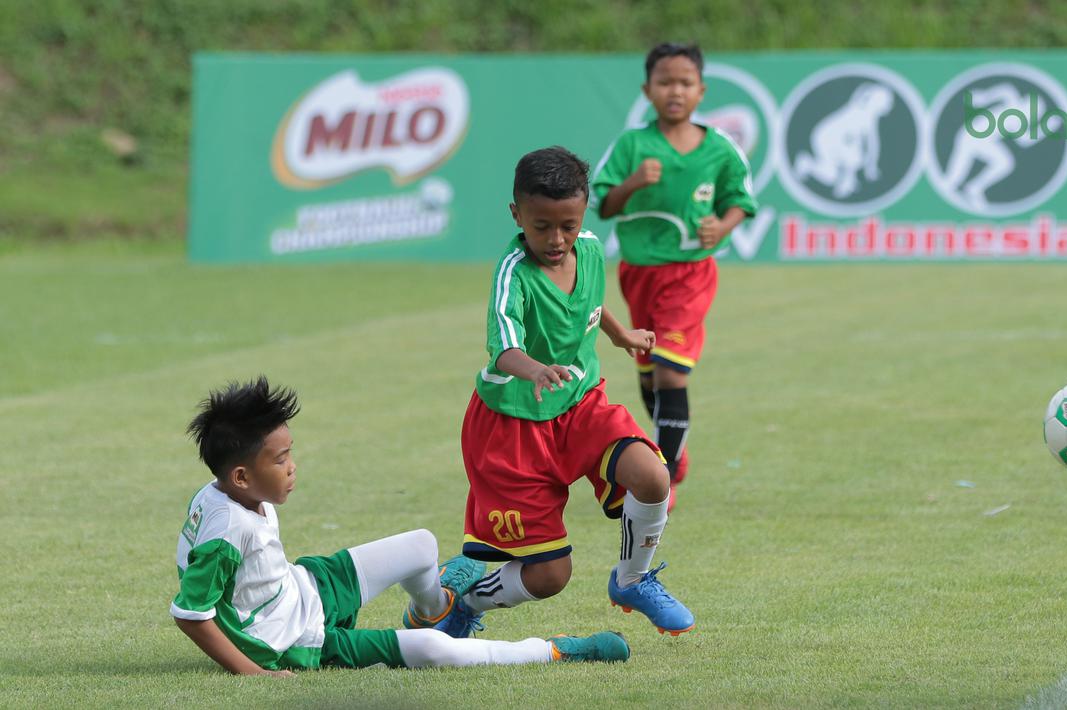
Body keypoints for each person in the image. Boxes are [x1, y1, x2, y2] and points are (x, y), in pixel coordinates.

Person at [170, 376, 629, 675]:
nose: (292, 467)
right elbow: (191, 613)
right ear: (242, 476)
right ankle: (552, 650)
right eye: (281, 459)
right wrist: (254, 674)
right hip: (295, 640)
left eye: (290, 452)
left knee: (421, 545)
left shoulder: (228, 492)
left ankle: (437, 608)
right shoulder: (227, 532)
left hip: (305, 585)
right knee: (432, 651)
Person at [454, 146, 695, 637]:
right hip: (512, 426)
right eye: (542, 226)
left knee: (653, 476)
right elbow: (502, 348)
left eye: (568, 224)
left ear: (582, 213)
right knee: (548, 576)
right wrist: (537, 370)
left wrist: (619, 333)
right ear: (517, 214)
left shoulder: (586, 246)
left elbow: (589, 300)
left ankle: (632, 579)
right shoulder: (513, 273)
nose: (557, 238)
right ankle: (459, 602)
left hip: (581, 404)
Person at [591, 42, 758, 511]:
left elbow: (742, 200)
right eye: (665, 82)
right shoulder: (632, 145)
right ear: (648, 90)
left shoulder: (720, 149)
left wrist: (721, 226)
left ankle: (661, 479)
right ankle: (672, 458)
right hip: (639, 274)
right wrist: (632, 183)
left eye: (685, 82)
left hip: (690, 273)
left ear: (701, 91)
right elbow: (602, 204)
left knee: (670, 371)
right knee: (650, 374)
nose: (675, 91)